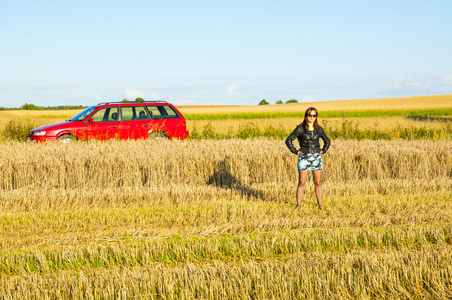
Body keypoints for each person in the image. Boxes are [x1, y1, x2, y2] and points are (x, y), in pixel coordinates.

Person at [285, 107, 330, 209]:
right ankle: (298, 205)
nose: (312, 117)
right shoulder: (300, 128)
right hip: (304, 157)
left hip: (316, 157)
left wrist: (323, 150)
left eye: (314, 115)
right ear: (306, 116)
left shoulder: (319, 129)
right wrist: (295, 151)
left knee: (318, 182)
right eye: (310, 115)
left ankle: (320, 205)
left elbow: (327, 140)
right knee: (301, 182)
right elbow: (288, 140)